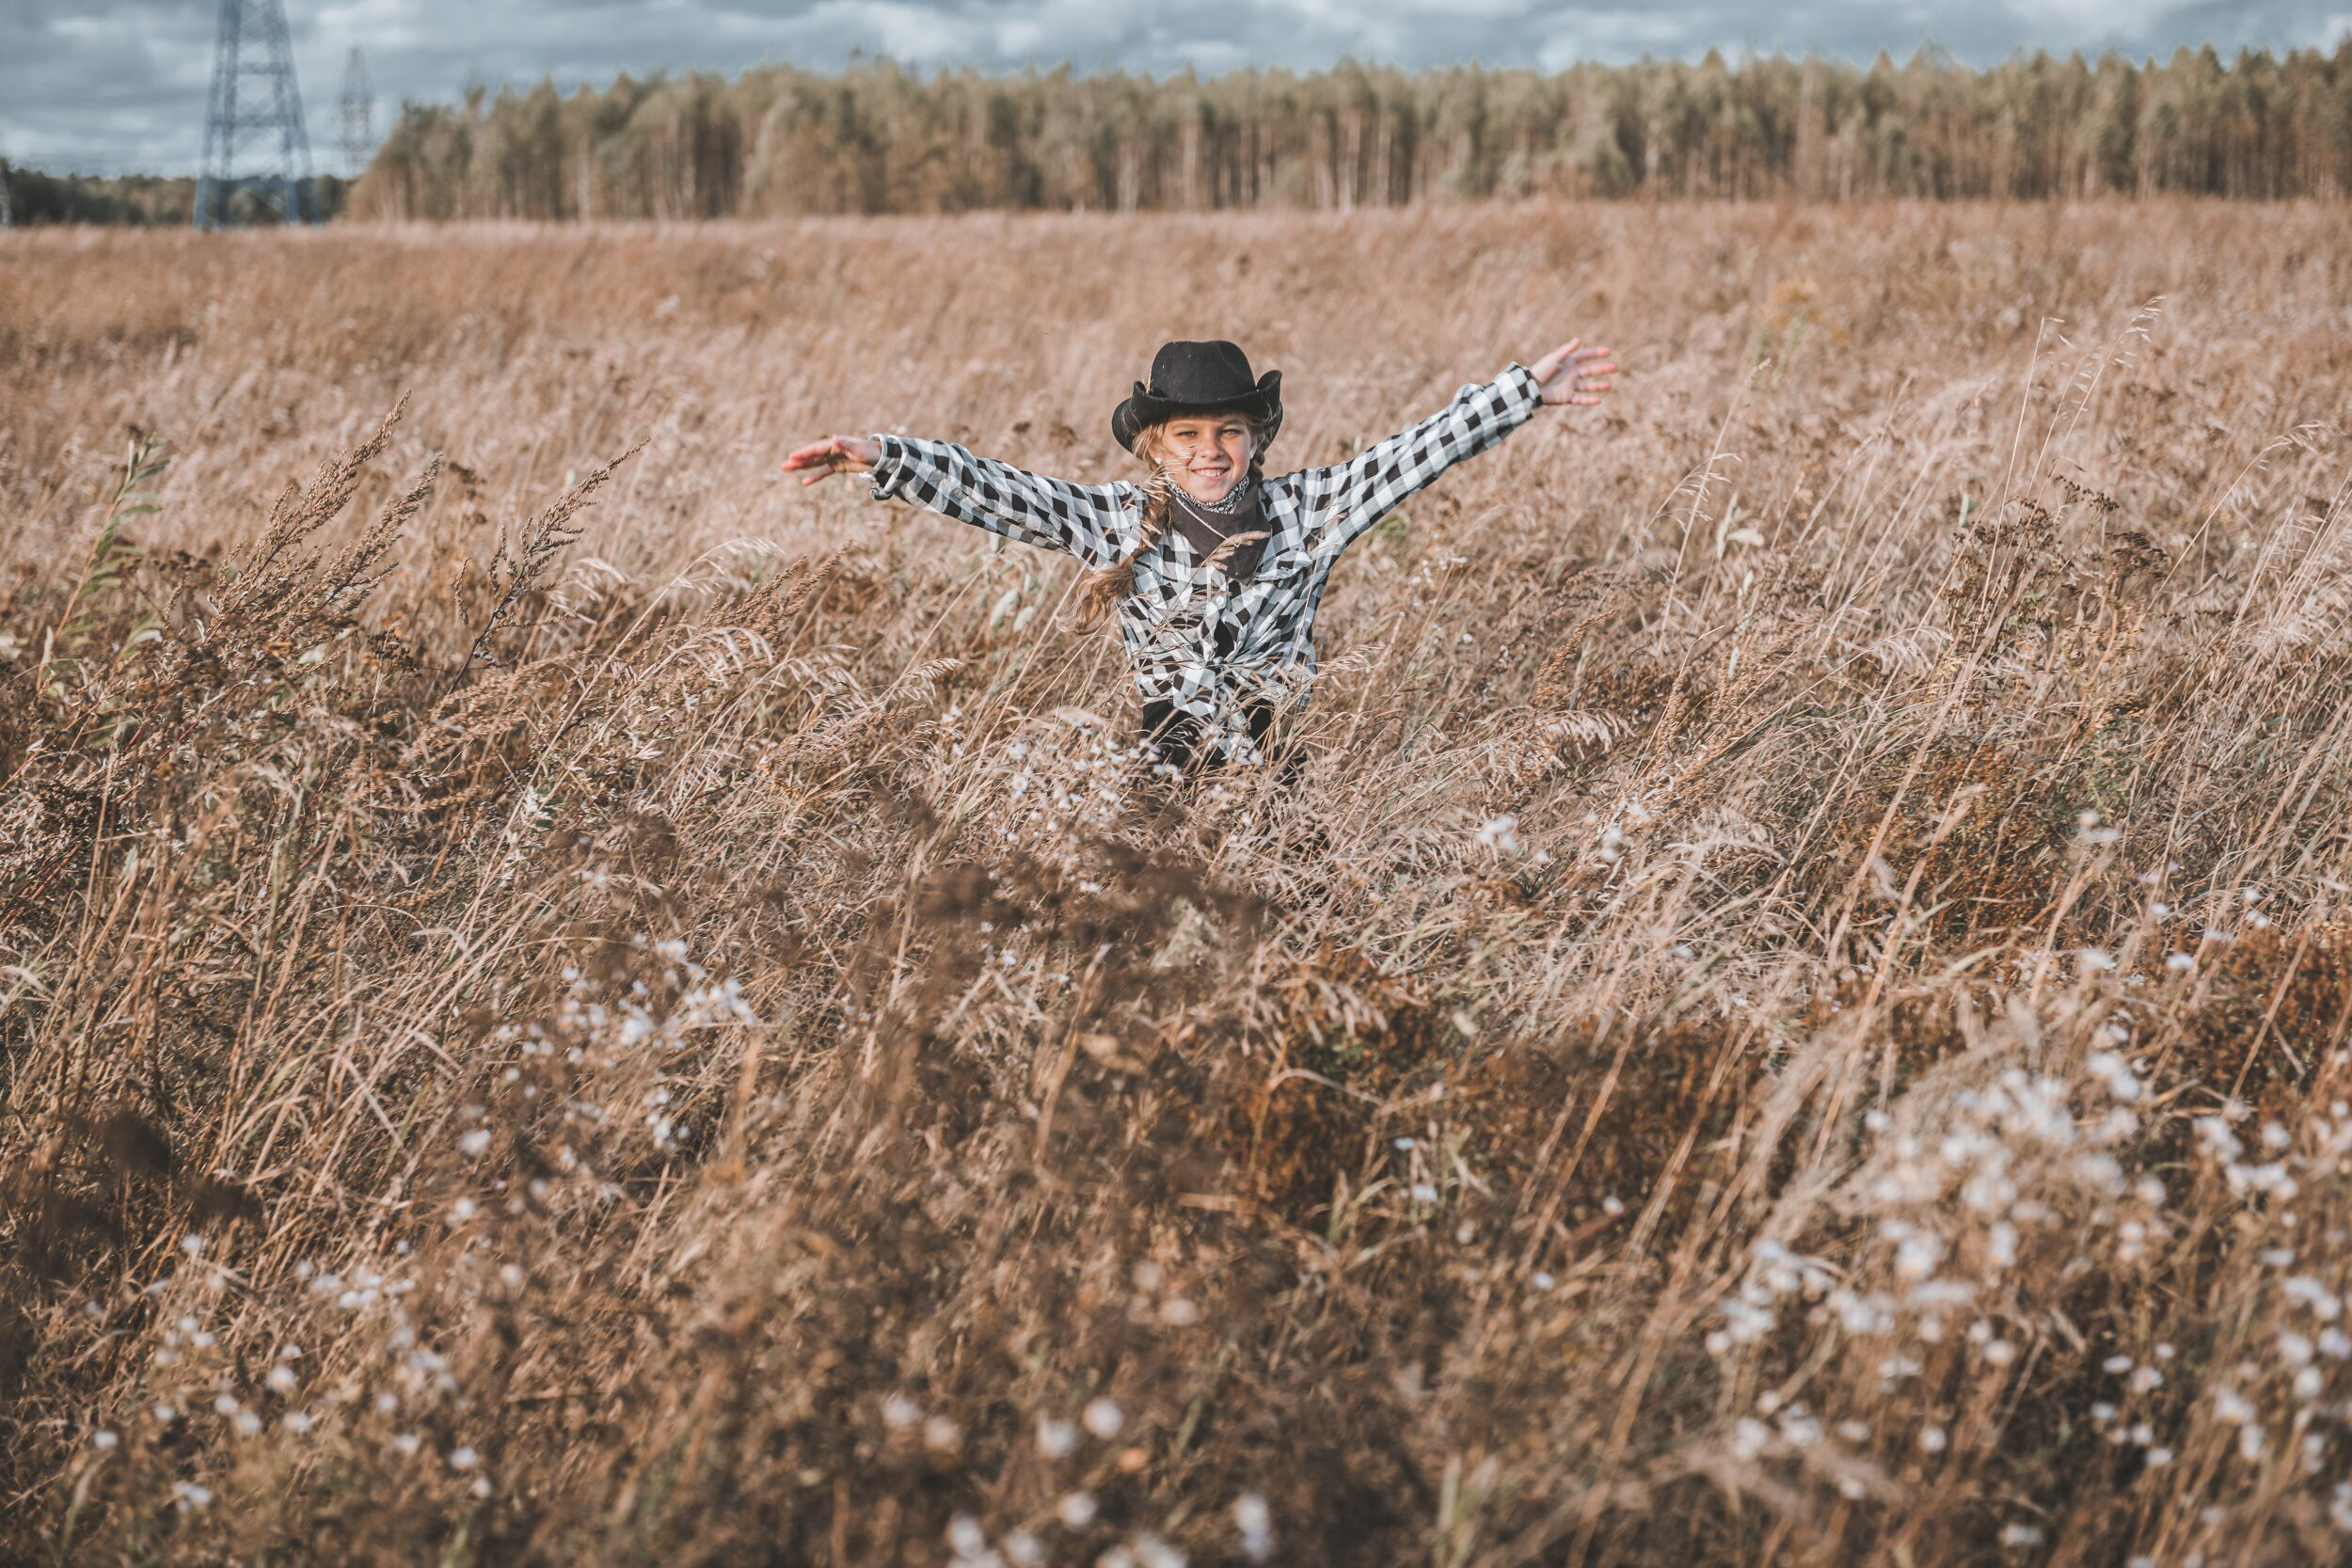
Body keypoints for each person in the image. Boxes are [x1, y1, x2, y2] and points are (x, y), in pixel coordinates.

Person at [782, 336, 1614, 772]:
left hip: (1275, 757)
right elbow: (1000, 490)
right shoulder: (1117, 521)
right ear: (1156, 446)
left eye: (1229, 432)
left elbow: (1413, 453)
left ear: (1257, 437)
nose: (1209, 450)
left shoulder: (1310, 510)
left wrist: (1524, 391)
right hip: (1165, 758)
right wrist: (884, 458)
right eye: (1188, 435)